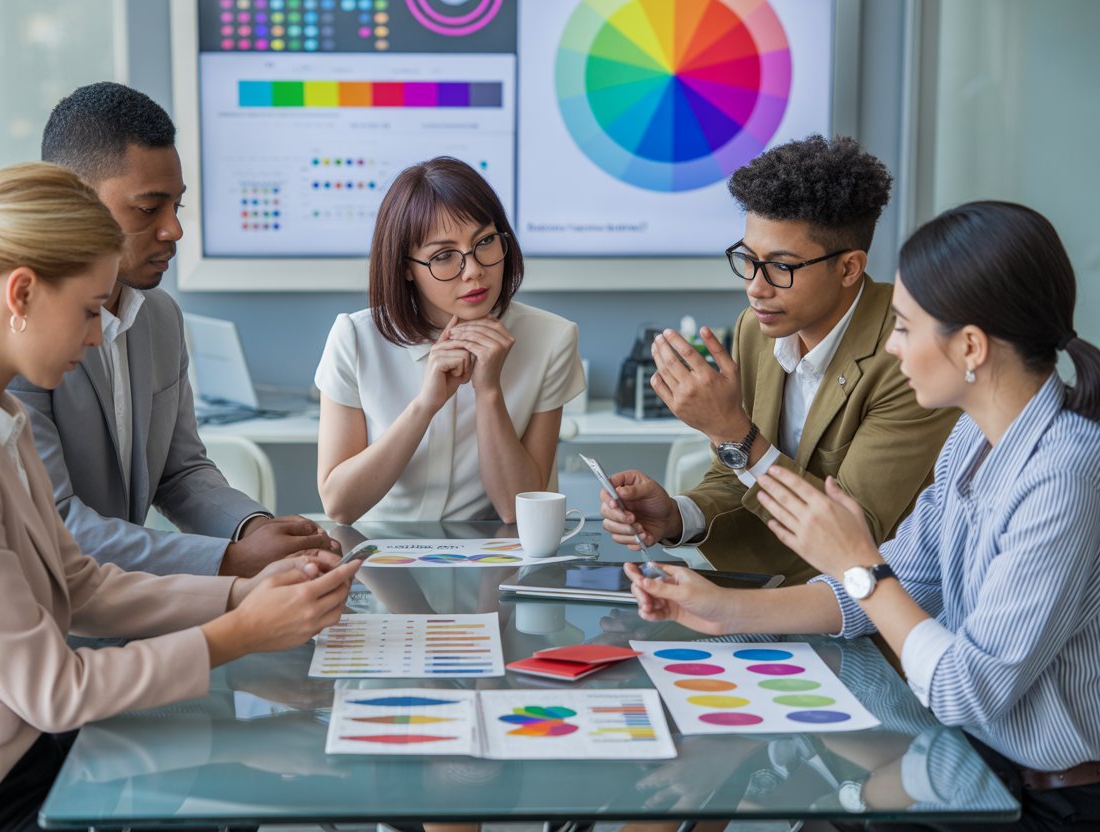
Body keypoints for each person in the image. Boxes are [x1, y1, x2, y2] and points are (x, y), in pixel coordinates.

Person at [0, 162, 360, 830]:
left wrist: (241, 594)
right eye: (89, 311)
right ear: (20, 294)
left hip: (29, 759)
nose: (98, 334)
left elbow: (79, 584)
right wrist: (239, 632)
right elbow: (54, 689)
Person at [626, 201, 1100, 830]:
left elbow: (965, 687)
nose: (894, 348)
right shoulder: (970, 441)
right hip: (966, 760)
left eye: (903, 327)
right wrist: (719, 607)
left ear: (970, 347)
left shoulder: (1064, 473)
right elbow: (894, 581)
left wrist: (861, 565)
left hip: (1040, 796)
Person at [8, 82, 331, 578]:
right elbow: (57, 522)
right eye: (146, 209)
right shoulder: (22, 330)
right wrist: (229, 561)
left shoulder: (160, 317)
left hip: (126, 606)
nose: (173, 230)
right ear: (69, 199)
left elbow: (179, 471)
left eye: (176, 207)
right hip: (44, 614)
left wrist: (253, 528)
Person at [601, 135, 958, 584]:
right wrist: (678, 516)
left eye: (781, 267)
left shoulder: (908, 356)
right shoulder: (757, 328)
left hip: (876, 610)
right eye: (749, 259)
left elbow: (855, 533)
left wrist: (730, 430)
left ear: (849, 267)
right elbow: (737, 473)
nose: (756, 286)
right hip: (774, 597)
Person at [315, 156, 585, 523]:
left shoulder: (552, 339)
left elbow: (517, 512)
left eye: (486, 241)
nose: (474, 270)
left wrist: (489, 392)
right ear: (406, 269)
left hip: (493, 562)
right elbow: (340, 506)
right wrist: (425, 405)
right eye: (443, 256)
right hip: (380, 558)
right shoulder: (356, 338)